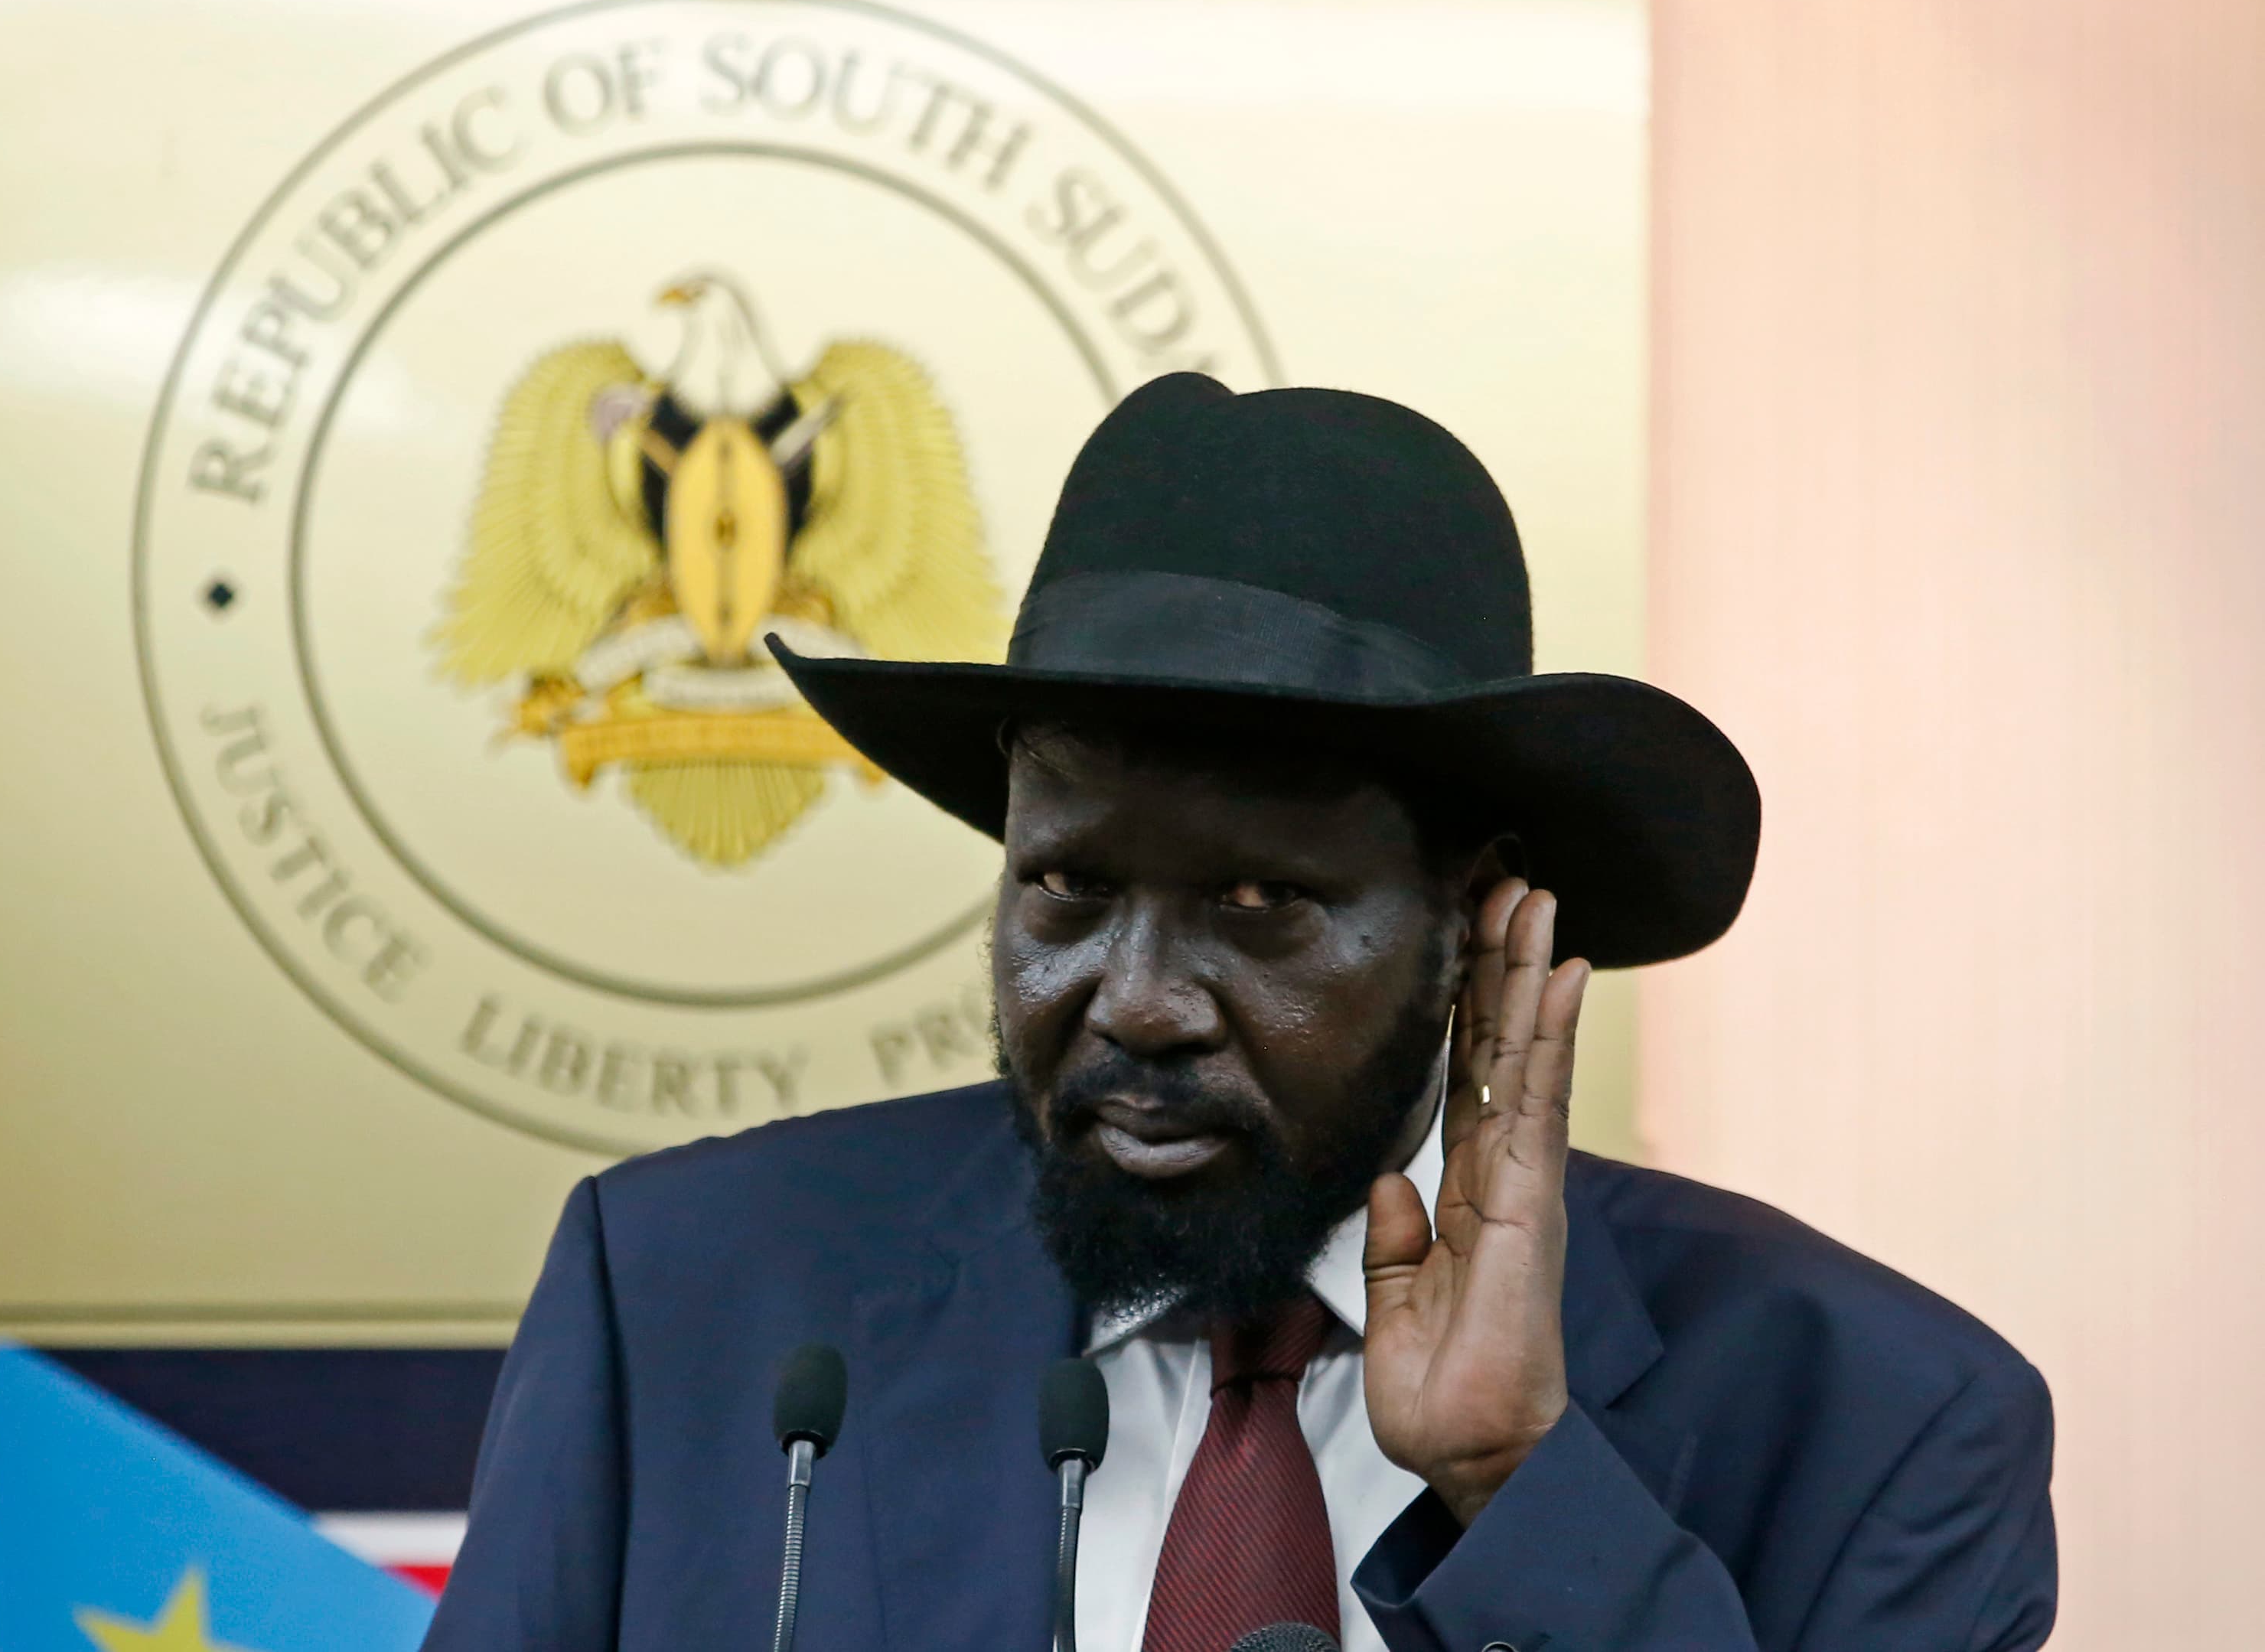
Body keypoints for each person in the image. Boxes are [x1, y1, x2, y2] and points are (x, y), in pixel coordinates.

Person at [419, 374, 2056, 1652]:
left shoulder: (1876, 1419)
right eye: (1065, 888)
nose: (1132, 999)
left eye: (1257, 905)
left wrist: (1518, 1481)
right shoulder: (694, 1297)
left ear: (1474, 916)